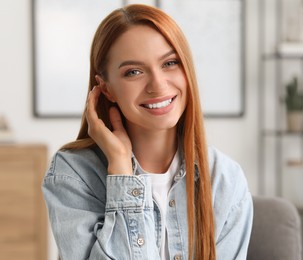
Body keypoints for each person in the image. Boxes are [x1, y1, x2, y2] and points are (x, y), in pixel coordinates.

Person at [42, 4, 253, 260]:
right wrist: (121, 169)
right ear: (106, 89)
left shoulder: (224, 179)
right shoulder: (74, 175)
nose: (158, 85)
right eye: (134, 72)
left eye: (170, 63)